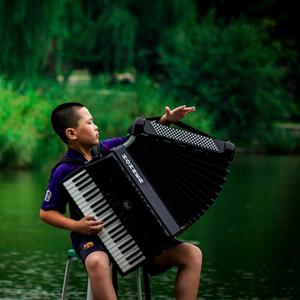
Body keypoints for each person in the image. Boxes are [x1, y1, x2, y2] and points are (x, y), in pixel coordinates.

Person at [40, 102, 202, 300]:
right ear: (72, 133)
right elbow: (47, 212)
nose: (96, 126)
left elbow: (138, 139)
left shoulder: (108, 149)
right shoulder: (64, 170)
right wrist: (78, 225)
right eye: (90, 123)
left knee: (192, 254)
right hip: (94, 238)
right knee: (97, 262)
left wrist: (165, 121)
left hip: (138, 233)